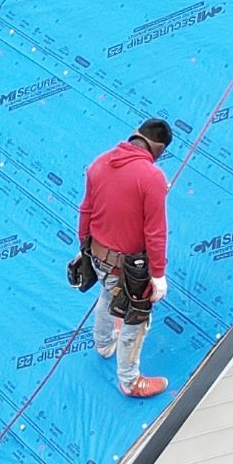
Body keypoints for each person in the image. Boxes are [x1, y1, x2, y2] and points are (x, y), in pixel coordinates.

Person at [78, 118, 174, 399]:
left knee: (108, 295)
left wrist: (84, 248)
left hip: (98, 256)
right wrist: (158, 274)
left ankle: (104, 344)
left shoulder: (100, 162)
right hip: (127, 269)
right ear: (158, 149)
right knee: (136, 318)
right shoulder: (151, 177)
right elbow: (155, 232)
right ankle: (130, 381)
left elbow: (86, 210)